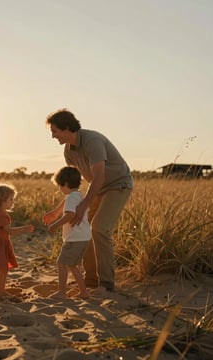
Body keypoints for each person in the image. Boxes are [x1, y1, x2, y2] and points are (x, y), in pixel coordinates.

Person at [46, 109, 133, 293]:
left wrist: (83, 205)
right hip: (97, 188)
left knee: (99, 228)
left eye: (55, 131)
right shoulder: (68, 151)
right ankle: (91, 280)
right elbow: (72, 184)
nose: (53, 136)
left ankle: (106, 284)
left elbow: (99, 176)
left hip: (118, 185)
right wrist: (57, 211)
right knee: (82, 228)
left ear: (67, 128)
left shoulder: (92, 141)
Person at [43, 166, 92, 299]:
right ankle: (83, 292)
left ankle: (62, 292)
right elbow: (64, 206)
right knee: (72, 265)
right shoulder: (78, 195)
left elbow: (69, 215)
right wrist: (54, 214)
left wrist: (55, 225)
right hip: (84, 237)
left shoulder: (71, 197)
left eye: (60, 186)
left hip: (74, 238)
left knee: (62, 263)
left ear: (65, 184)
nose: (60, 189)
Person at [0, 184, 34, 298]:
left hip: (1, 243)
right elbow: (9, 231)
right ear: (1, 201)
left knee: (4, 268)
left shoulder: (1, 213)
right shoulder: (0, 215)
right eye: (10, 200)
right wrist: (23, 229)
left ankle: (1, 291)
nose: (12, 202)